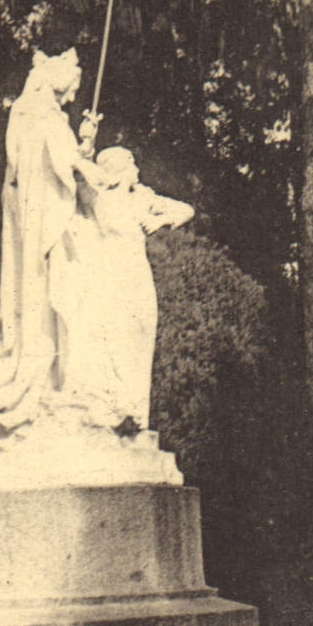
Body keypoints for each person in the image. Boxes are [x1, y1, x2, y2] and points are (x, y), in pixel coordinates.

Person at [0, 48, 114, 455]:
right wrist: (86, 166)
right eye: (68, 88)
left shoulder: (37, 114)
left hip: (49, 223)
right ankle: (55, 386)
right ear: (51, 80)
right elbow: (56, 162)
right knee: (61, 300)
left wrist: (82, 147)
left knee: (67, 302)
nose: (69, 97)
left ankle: (70, 383)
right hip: (47, 227)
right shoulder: (35, 114)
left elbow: (60, 161)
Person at [53, 146, 194, 434]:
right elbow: (70, 175)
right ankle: (114, 410)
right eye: (130, 163)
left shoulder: (143, 198)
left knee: (140, 336)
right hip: (108, 278)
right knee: (114, 339)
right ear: (116, 170)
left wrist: (161, 220)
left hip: (137, 276)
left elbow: (185, 210)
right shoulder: (97, 198)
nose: (136, 168)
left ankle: (137, 414)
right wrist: (85, 145)